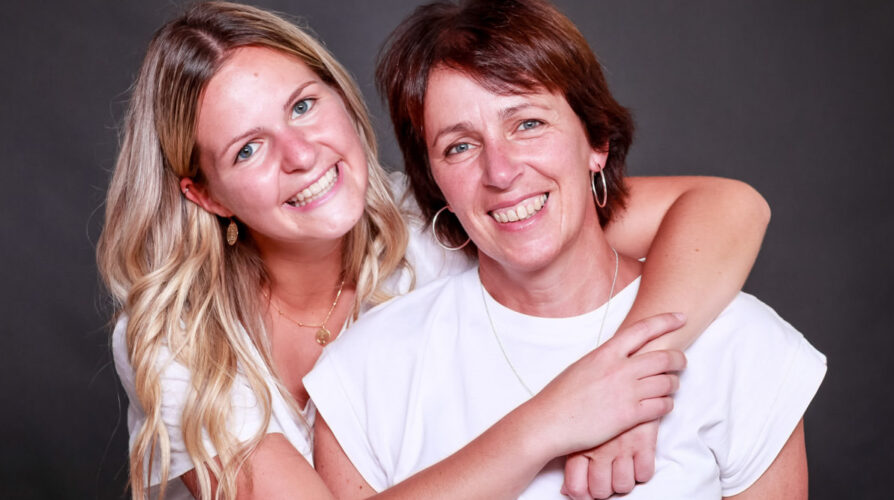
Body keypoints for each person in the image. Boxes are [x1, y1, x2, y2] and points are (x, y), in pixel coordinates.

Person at [97, 2, 771, 499]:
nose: (301, 155)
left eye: (303, 106)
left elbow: (727, 206)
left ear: (340, 95)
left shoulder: (441, 215)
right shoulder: (178, 337)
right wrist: (555, 419)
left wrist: (628, 383)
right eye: (248, 149)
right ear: (206, 194)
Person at [306, 0, 826, 499]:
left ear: (596, 142)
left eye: (528, 124)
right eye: (459, 146)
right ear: (435, 182)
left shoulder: (741, 343)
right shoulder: (365, 373)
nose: (501, 172)